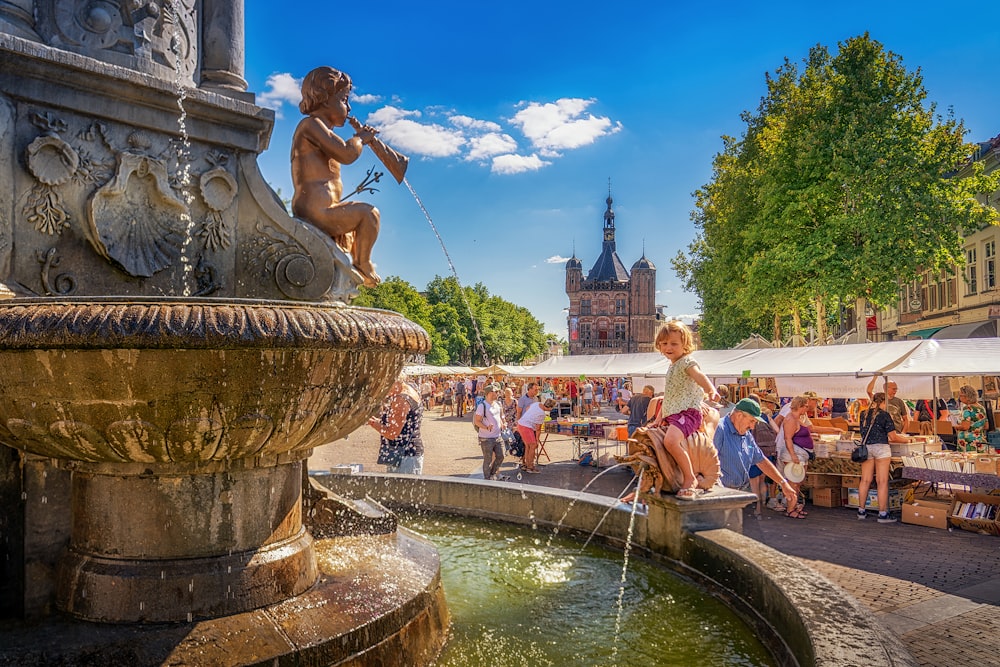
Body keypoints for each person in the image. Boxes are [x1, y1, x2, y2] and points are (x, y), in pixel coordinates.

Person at [291, 66, 382, 287]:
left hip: (323, 209)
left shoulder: (320, 130)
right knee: (369, 215)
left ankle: (350, 263)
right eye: (344, 99)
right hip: (316, 211)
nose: (349, 107)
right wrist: (360, 138)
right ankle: (363, 263)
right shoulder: (310, 125)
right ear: (323, 99)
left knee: (352, 233)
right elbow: (346, 153)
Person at [647, 321, 720, 500]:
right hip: (675, 414)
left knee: (671, 442)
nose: (668, 347)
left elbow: (699, 376)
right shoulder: (672, 366)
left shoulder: (686, 362)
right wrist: (658, 418)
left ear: (685, 345)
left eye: (674, 343)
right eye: (664, 344)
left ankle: (690, 478)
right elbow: (670, 396)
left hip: (687, 413)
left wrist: (711, 389)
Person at [714, 398, 799, 512]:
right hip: (720, 496)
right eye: (751, 421)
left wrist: (783, 483)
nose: (753, 427)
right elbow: (706, 462)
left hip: (736, 495)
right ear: (739, 416)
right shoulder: (719, 430)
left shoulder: (746, 434)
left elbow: (761, 460)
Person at [857, 392, 916, 523]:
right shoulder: (884, 415)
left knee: (865, 480)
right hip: (882, 449)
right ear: (884, 402)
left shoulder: (863, 415)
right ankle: (882, 513)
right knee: (882, 481)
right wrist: (908, 441)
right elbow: (893, 437)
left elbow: (862, 432)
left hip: (866, 448)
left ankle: (861, 510)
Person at [367, 374, 424, 474]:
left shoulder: (401, 399)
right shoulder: (410, 389)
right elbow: (404, 425)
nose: (382, 390)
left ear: (393, 383)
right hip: (408, 454)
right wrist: (379, 422)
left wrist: (372, 423)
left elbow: (392, 433)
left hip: (404, 457)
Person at [776, 396, 813, 519]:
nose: (808, 408)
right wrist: (793, 455)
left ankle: (794, 505)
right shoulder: (791, 419)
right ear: (801, 406)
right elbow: (788, 438)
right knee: (793, 483)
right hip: (793, 454)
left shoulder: (798, 418)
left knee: (797, 483)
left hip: (800, 453)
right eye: (806, 405)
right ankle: (790, 508)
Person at [747, 394, 781, 516]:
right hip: (768, 451)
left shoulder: (747, 416)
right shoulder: (765, 416)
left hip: (754, 450)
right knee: (762, 480)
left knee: (754, 481)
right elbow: (777, 431)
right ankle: (762, 504)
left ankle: (757, 508)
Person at [474, 382, 507, 480]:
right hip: (486, 438)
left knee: (501, 456)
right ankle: (487, 479)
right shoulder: (482, 406)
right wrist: (486, 427)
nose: (497, 393)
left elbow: (501, 417)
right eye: (495, 392)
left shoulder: (497, 404)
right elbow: (477, 421)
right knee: (487, 459)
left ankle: (492, 474)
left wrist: (503, 423)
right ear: (489, 393)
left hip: (498, 436)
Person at [517, 398, 557, 473]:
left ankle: (526, 464)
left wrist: (531, 416)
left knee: (528, 446)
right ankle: (530, 467)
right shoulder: (542, 414)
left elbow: (527, 408)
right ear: (550, 407)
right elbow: (538, 429)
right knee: (533, 445)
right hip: (526, 426)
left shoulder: (537, 404)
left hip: (521, 424)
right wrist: (537, 440)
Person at [955, 384, 988, 452]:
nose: (960, 398)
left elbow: (965, 427)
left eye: (961, 395)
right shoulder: (981, 408)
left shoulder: (967, 408)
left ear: (967, 396)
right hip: (980, 441)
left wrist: (954, 427)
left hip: (968, 443)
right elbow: (986, 426)